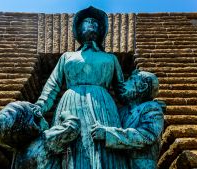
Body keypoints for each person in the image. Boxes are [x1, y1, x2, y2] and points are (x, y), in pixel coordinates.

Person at [32, 6, 128, 169]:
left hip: (102, 105)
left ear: (102, 30)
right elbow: (52, 86)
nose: (92, 24)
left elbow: (122, 91)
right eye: (87, 21)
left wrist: (145, 101)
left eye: (96, 22)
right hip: (71, 103)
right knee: (72, 148)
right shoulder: (67, 57)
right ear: (78, 28)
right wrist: (39, 107)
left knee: (104, 150)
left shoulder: (110, 58)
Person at [91, 70, 164, 169]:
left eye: (131, 80)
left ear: (143, 87)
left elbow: (146, 136)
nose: (124, 83)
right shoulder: (121, 112)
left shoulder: (151, 108)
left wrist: (108, 133)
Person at [0, 101, 81, 169]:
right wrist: (68, 116)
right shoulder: (45, 140)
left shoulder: (17, 157)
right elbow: (71, 128)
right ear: (34, 123)